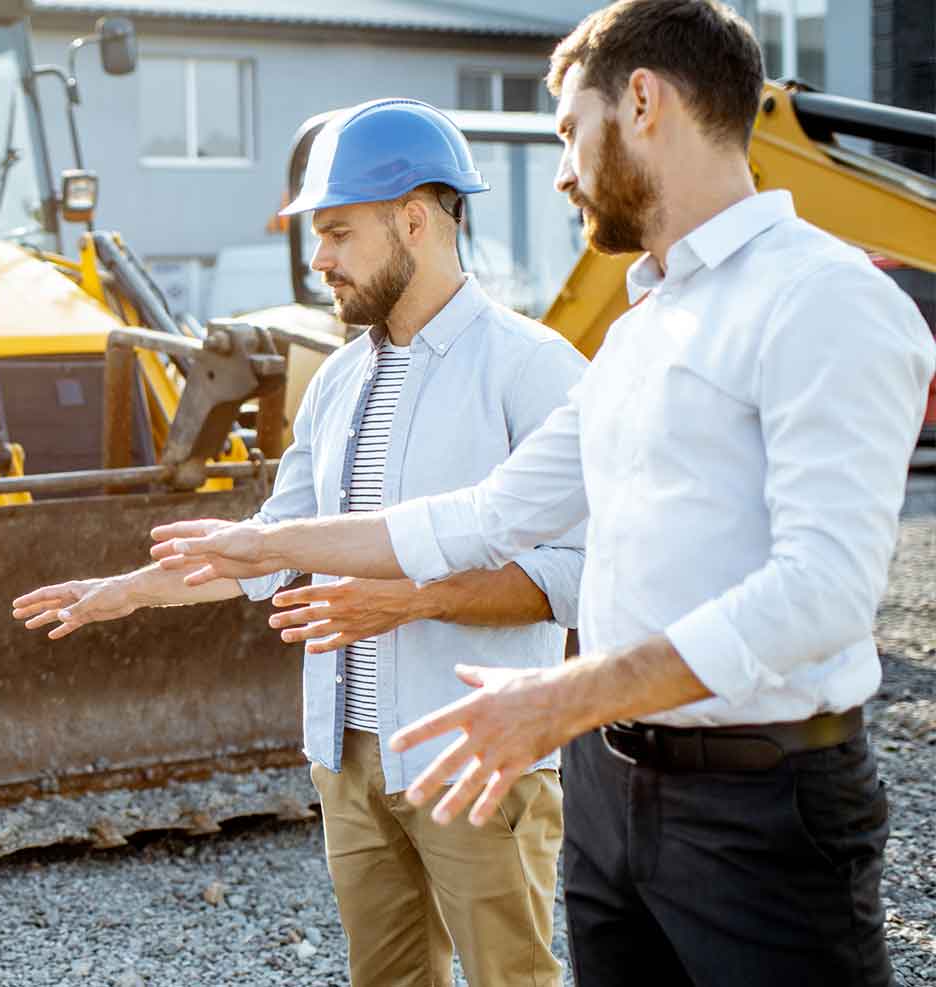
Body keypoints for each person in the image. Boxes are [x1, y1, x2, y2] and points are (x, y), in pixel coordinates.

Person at [148, 2, 936, 984]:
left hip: (760, 804)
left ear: (640, 101)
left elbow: (823, 592)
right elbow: (485, 515)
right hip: (611, 788)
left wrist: (562, 693)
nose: (560, 170)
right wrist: (264, 549)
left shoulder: (821, 299)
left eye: (567, 130)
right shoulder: (641, 329)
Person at [13, 98, 586, 987]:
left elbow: (574, 576)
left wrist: (418, 598)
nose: (319, 260)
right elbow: (273, 547)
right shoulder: (339, 381)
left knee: (514, 980)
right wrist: (127, 590)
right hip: (349, 760)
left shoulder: (532, 368)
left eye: (339, 233)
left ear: (414, 221)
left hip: (476, 759)